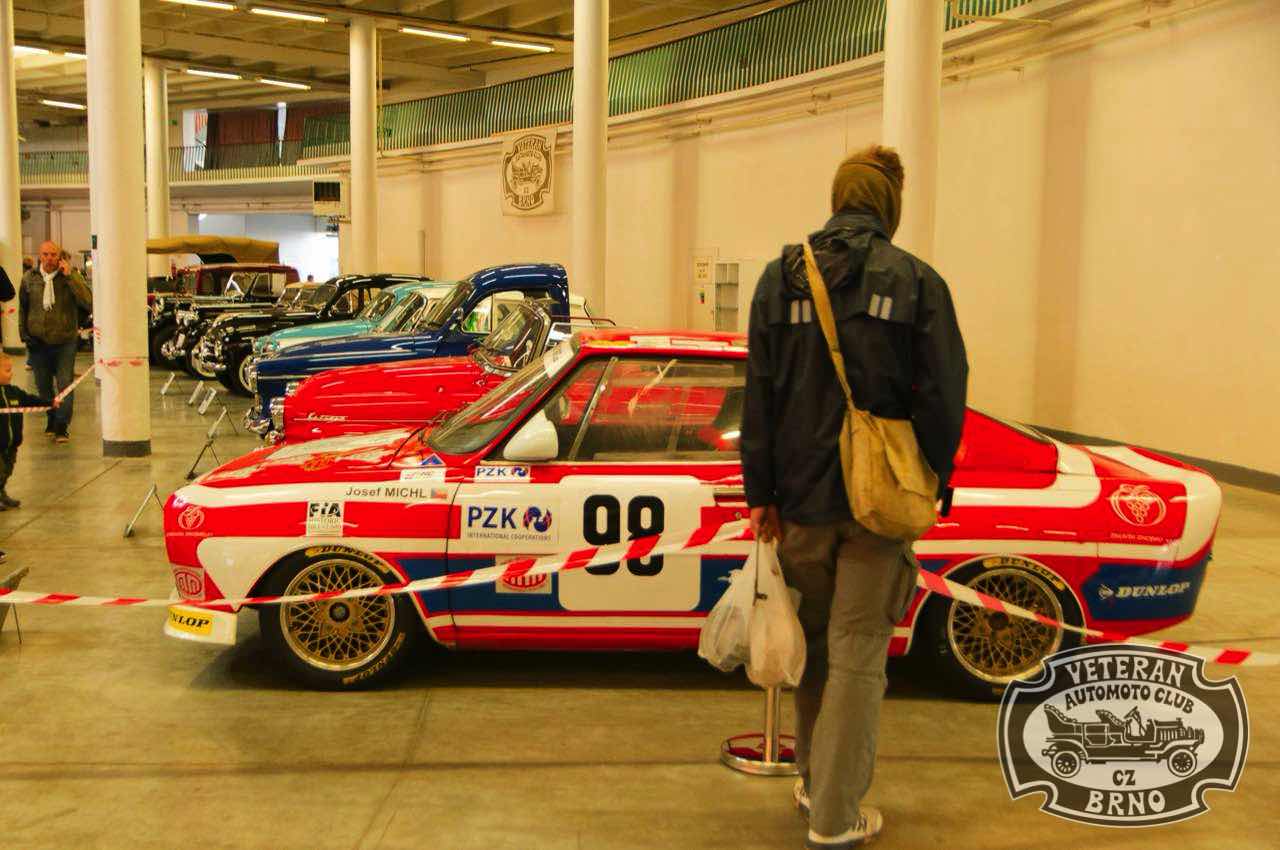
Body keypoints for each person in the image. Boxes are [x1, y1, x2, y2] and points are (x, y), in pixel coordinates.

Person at [740, 145, 968, 850]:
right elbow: (944, 396)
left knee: (814, 648)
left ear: (838, 197)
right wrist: (932, 478)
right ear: (890, 205)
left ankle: (815, 783)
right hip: (877, 507)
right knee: (858, 655)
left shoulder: (779, 279)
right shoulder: (918, 282)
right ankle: (835, 817)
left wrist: (760, 492)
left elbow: (758, 395)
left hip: (798, 503)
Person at [19, 240, 92, 443]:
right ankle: (51, 418)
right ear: (39, 256)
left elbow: (87, 301)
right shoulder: (29, 278)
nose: (49, 258)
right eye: (45, 254)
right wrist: (24, 335)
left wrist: (70, 277)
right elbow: (23, 308)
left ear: (59, 257)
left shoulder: (70, 276)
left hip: (64, 341)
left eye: (53, 255)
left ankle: (61, 425)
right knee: (43, 386)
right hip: (37, 342)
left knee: (65, 384)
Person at [0, 353, 54, 510]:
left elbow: (31, 400)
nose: (11, 374)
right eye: (7, 371)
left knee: (7, 470)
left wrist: (50, 402)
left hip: (12, 444)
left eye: (10, 370)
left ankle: (1, 492)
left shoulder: (14, 392)